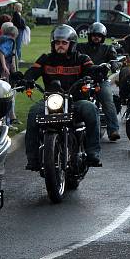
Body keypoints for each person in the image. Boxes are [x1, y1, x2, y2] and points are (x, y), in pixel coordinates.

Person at [22, 24, 101, 171]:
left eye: (64, 43)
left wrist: (97, 72)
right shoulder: (46, 59)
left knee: (91, 108)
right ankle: (33, 158)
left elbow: (91, 69)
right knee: (33, 112)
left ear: (71, 44)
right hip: (51, 102)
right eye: (57, 43)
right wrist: (25, 79)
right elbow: (32, 72)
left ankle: (93, 152)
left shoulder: (82, 58)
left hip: (75, 101)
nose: (60, 46)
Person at [78, 22, 120, 141]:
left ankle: (113, 129)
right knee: (75, 100)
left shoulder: (107, 48)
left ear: (103, 37)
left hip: (100, 80)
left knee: (107, 100)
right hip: (83, 80)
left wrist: (114, 63)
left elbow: (113, 58)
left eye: (99, 35)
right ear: (90, 35)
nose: (96, 37)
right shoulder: (81, 47)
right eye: (94, 35)